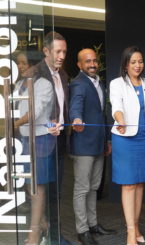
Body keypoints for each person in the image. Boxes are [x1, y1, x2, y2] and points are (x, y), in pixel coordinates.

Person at [27, 31, 71, 245]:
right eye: (57, 51)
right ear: (46, 51)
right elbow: (25, 115)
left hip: (59, 140)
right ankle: (34, 236)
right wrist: (46, 125)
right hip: (40, 141)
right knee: (40, 190)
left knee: (55, 193)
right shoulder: (34, 74)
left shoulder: (63, 75)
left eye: (64, 51)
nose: (62, 55)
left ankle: (54, 236)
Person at [69, 48, 116, 245]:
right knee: (82, 188)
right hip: (83, 145)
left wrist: (107, 140)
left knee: (94, 187)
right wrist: (76, 119)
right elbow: (75, 106)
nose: (92, 64)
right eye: (87, 61)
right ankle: (82, 230)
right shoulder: (78, 83)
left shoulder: (100, 83)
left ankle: (93, 224)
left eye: (95, 60)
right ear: (80, 65)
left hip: (98, 144)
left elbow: (102, 114)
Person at [109, 45, 145, 245]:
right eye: (133, 62)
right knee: (128, 184)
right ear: (126, 64)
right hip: (125, 137)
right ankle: (129, 232)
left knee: (139, 183)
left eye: (140, 61)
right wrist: (121, 120)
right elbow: (116, 107)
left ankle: (136, 226)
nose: (137, 65)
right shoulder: (117, 83)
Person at [14, 50, 58, 245]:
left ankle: (34, 233)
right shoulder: (18, 85)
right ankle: (42, 223)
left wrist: (13, 125)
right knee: (26, 184)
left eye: (24, 63)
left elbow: (35, 112)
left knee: (37, 188)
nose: (21, 67)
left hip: (41, 140)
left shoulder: (44, 85)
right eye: (19, 63)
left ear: (34, 64)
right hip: (23, 140)